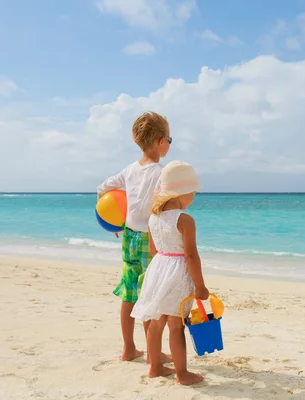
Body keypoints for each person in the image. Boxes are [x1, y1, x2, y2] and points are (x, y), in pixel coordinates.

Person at [97, 111, 172, 362]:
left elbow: (103, 188)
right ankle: (153, 353)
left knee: (130, 293)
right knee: (149, 294)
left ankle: (129, 348)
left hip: (129, 238)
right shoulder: (160, 173)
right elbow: (158, 209)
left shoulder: (130, 170)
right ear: (161, 142)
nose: (170, 144)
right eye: (170, 140)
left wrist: (113, 221)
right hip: (149, 241)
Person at [131, 160, 209, 385]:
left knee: (156, 322)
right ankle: (182, 374)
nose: (193, 199)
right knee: (176, 325)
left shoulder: (153, 218)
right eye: (192, 193)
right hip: (177, 273)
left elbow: (153, 249)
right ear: (180, 193)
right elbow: (191, 256)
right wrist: (200, 286)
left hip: (158, 269)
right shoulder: (185, 220)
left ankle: (155, 367)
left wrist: (163, 264)